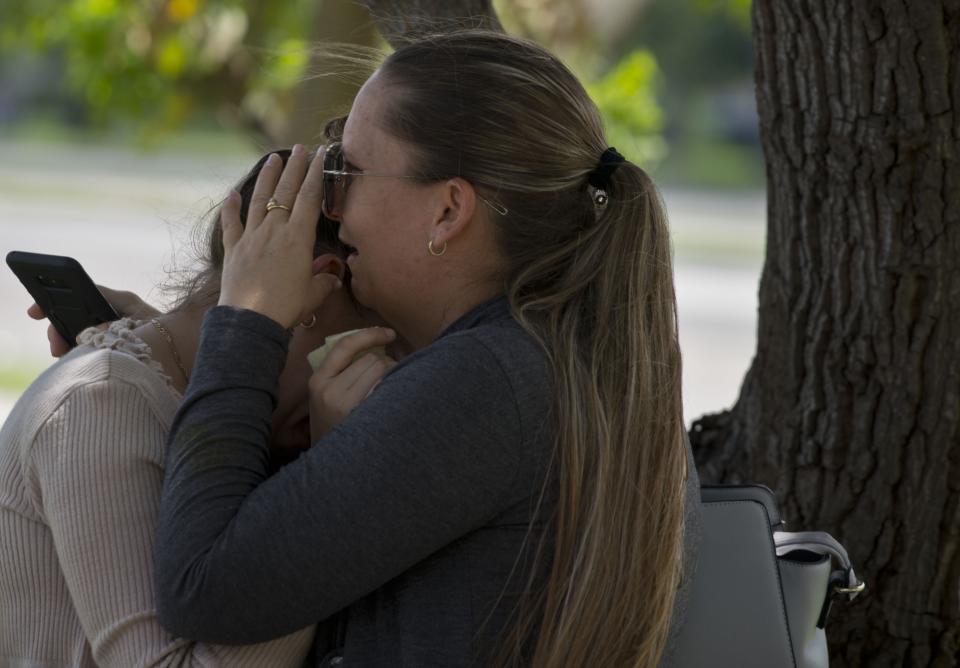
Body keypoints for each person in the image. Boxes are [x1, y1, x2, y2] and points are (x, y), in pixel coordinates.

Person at [154, 31, 702, 668]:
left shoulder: (483, 383)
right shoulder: (562, 360)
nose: (335, 209)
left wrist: (245, 318)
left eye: (348, 174)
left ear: (448, 210)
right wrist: (162, 339)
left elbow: (202, 587)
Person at [0, 148, 394, 666]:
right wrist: (331, 473)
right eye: (387, 344)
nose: (385, 383)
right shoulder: (99, 401)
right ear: (314, 290)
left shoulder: (149, 392)